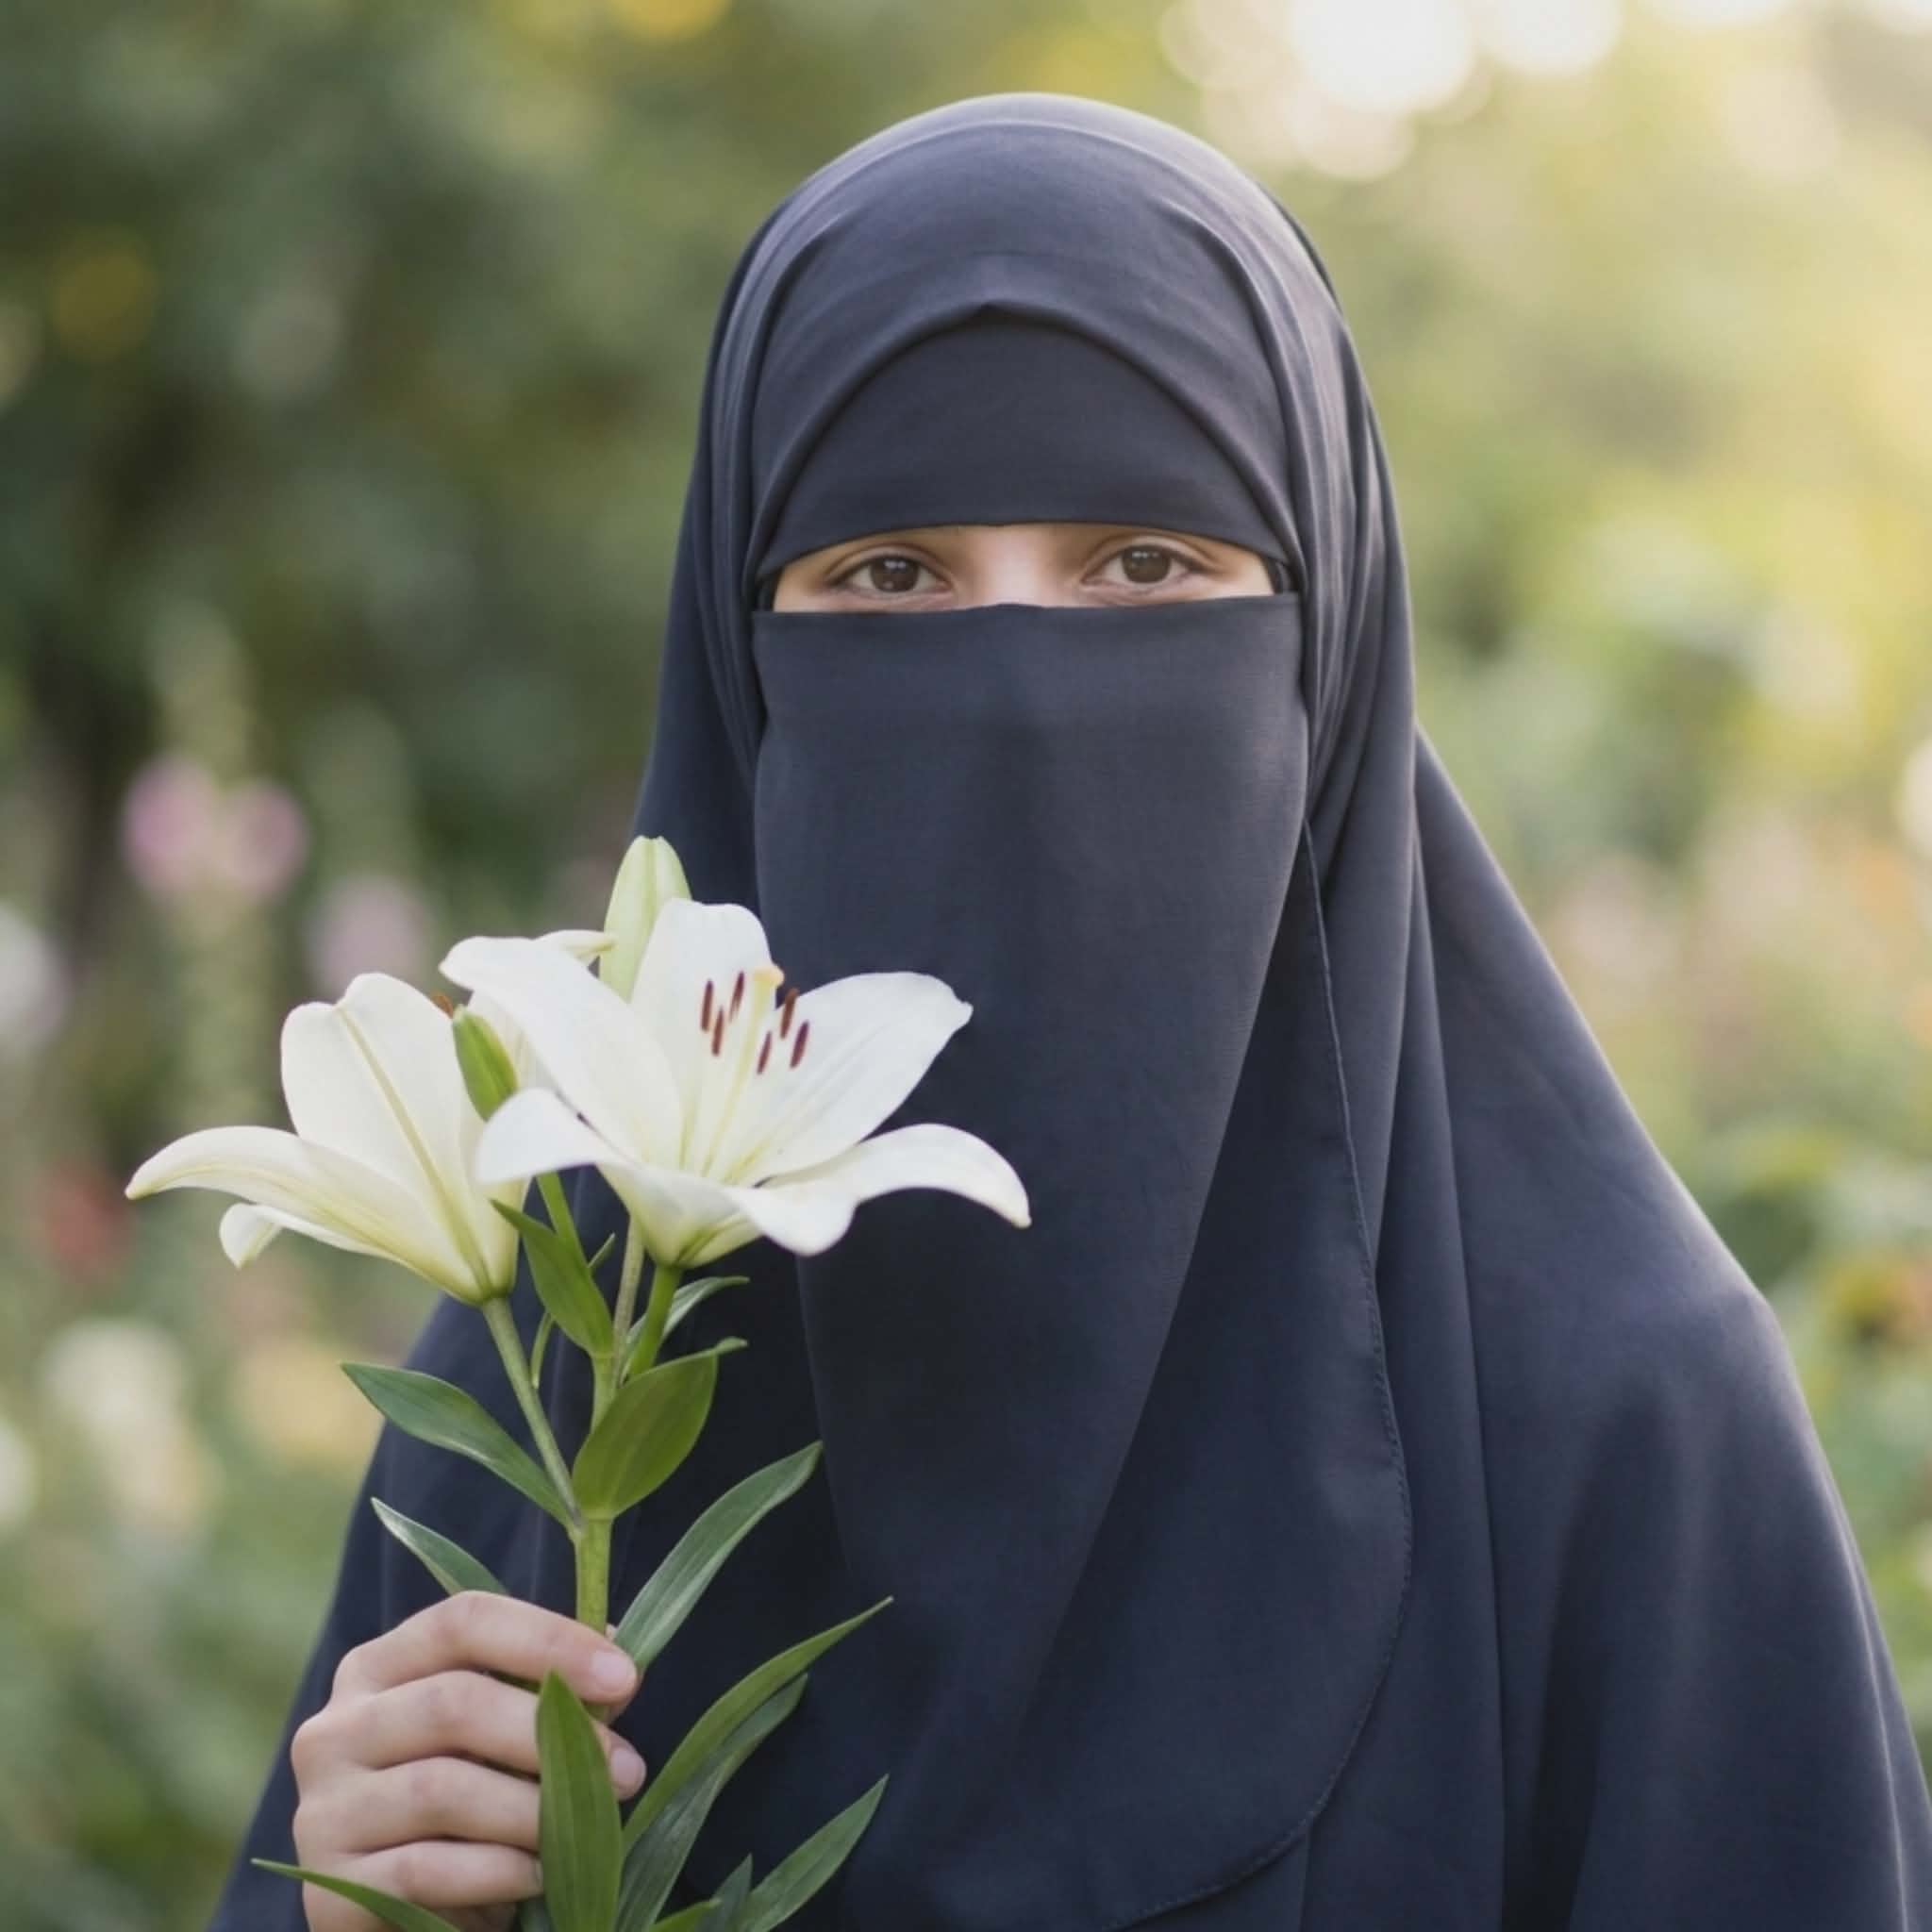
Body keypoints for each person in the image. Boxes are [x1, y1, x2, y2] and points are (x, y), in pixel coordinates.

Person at [206, 92, 1932, 1932]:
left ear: (1323, 649)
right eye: (888, 576)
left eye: (1145, 569)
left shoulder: (1620, 1429)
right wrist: (357, 1903)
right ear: (745, 662)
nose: (1022, 689)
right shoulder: (570, 1374)